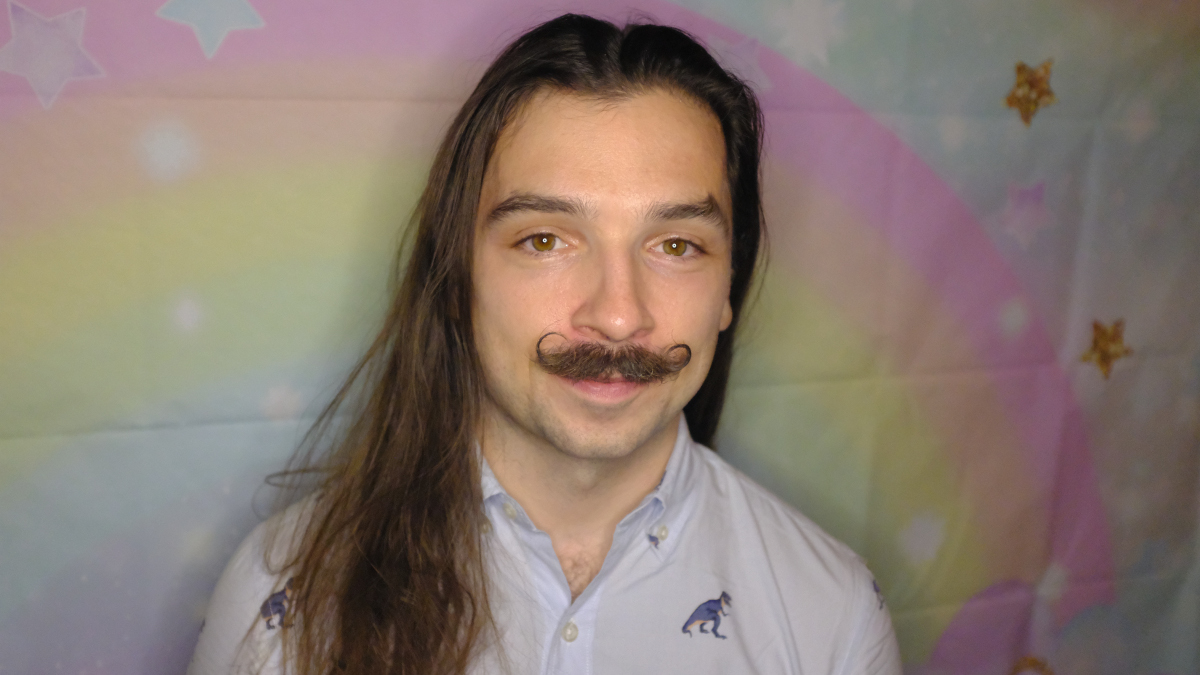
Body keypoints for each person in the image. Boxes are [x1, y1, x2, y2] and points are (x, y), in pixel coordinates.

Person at [187, 13, 902, 675]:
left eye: (677, 244)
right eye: (546, 240)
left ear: (728, 290)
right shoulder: (281, 596)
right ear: (459, 276)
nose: (618, 316)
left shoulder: (831, 618)